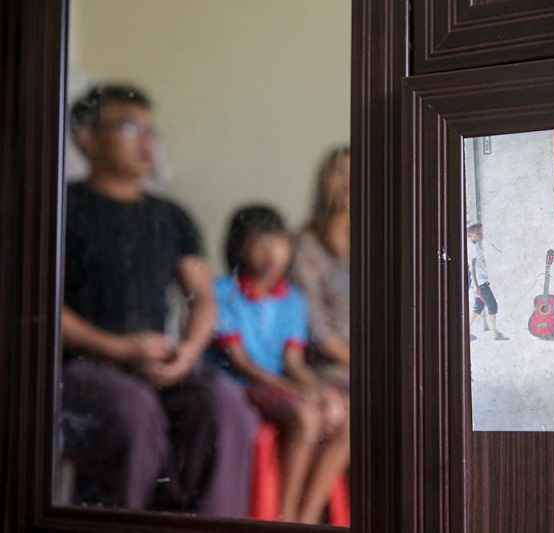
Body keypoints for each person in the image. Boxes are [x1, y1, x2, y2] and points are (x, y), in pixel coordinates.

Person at [60, 84, 259, 516]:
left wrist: (186, 353)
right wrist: (117, 347)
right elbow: (39, 307)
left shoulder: (171, 216)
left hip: (159, 362)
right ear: (86, 137)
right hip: (80, 366)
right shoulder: (60, 206)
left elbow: (203, 298)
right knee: (133, 410)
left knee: (227, 407)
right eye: (130, 127)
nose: (147, 141)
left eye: (152, 130)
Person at [212, 204, 349, 524]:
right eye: (259, 242)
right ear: (238, 248)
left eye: (278, 241)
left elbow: (293, 361)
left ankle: (308, 515)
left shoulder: (292, 300)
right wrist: (296, 391)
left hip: (276, 382)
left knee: (346, 415)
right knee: (305, 417)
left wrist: (319, 390)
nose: (272, 251)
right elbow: (241, 362)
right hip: (240, 385)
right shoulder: (223, 292)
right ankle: (284, 518)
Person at [289, 147, 351, 387]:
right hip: (327, 364)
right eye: (340, 171)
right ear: (323, 183)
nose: (348, 180)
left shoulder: (376, 244)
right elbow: (315, 325)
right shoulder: (306, 245)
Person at [467, 221, 510, 341]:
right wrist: (476, 287)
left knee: (478, 307)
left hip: (480, 282)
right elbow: (473, 269)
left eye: (480, 232)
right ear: (469, 235)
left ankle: (466, 331)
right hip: (480, 284)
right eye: (477, 233)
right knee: (492, 306)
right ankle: (495, 333)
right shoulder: (472, 249)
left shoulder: (475, 246)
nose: (480, 234)